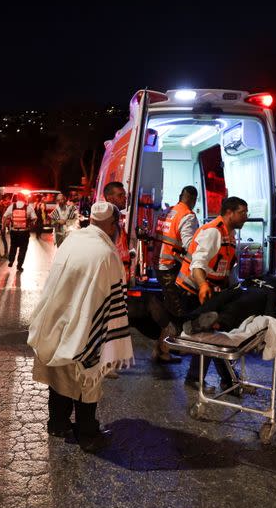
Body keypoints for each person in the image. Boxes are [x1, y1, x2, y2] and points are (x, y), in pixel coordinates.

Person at [28, 202, 134, 453]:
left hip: (55, 320)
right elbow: (111, 301)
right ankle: (87, 432)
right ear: (112, 225)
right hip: (84, 325)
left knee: (59, 373)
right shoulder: (106, 254)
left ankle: (57, 424)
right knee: (87, 374)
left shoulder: (72, 241)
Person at [176, 196, 249, 392]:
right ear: (229, 213)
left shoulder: (229, 233)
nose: (246, 217)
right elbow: (197, 264)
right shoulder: (213, 233)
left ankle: (226, 381)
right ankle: (221, 381)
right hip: (193, 289)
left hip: (208, 290)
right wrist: (202, 285)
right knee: (208, 337)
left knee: (211, 335)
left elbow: (222, 265)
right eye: (242, 213)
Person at [153, 186, 199, 363]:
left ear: (181, 196)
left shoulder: (168, 212)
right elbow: (190, 244)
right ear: (193, 199)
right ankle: (166, 349)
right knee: (176, 311)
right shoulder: (187, 216)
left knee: (170, 306)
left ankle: (160, 348)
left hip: (159, 263)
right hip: (171, 266)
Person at [183, 270, 276, 334]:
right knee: (218, 299)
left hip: (260, 294)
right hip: (243, 288)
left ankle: (214, 323)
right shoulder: (266, 276)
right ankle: (189, 320)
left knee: (238, 306)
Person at [102, 181, 129, 379]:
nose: (124, 198)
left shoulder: (116, 220)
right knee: (108, 321)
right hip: (110, 280)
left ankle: (108, 361)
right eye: (120, 195)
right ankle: (105, 364)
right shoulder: (107, 224)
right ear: (110, 198)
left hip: (119, 277)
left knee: (113, 320)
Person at [3, 192, 37, 271]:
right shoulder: (28, 207)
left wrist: (3, 227)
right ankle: (19, 265)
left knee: (13, 246)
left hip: (14, 231)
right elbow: (35, 218)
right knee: (23, 249)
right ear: (24, 198)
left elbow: (4, 216)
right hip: (24, 232)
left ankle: (11, 260)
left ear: (17, 198)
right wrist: (29, 223)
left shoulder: (12, 206)